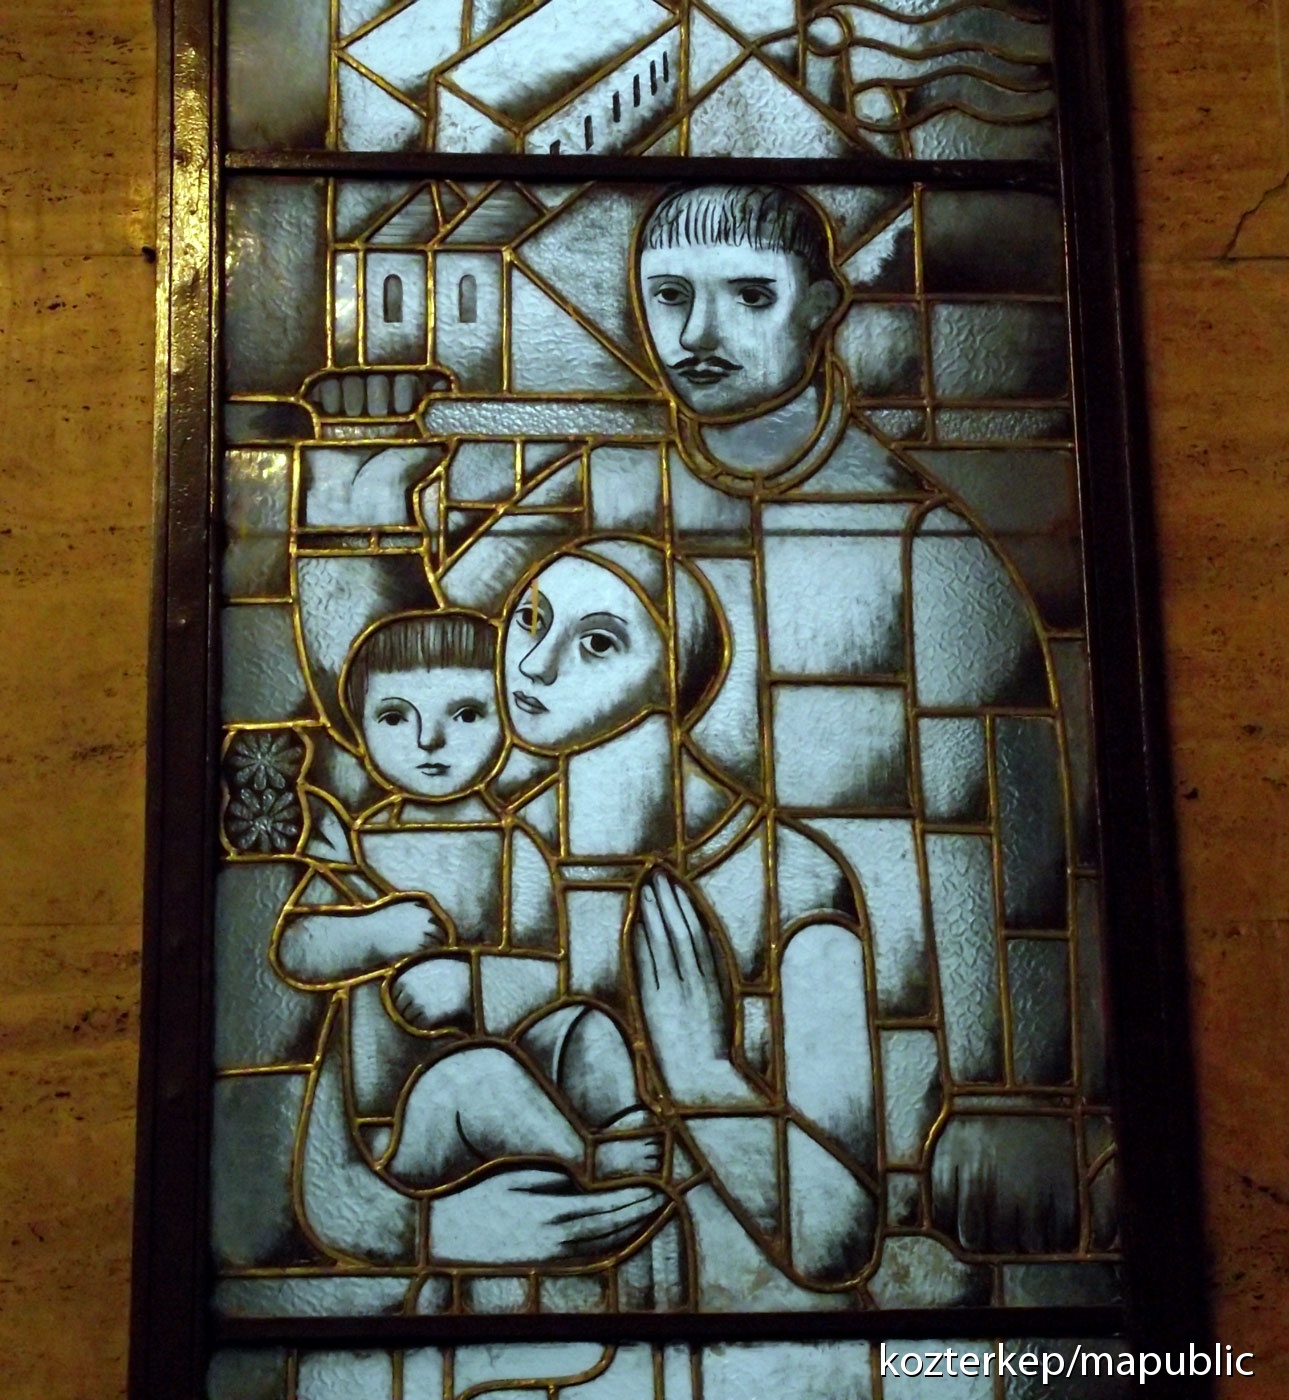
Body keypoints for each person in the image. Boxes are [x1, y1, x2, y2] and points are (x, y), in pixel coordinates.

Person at [273, 608, 661, 1200]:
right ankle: (591, 1160)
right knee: (478, 1074)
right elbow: (296, 949)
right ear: (358, 727)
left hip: (527, 1075)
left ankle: (640, 1153)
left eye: (466, 714)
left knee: (591, 1028)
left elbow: (555, 973)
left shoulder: (514, 845)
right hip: (404, 1118)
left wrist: (472, 984)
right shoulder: (356, 845)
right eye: (395, 717)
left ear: (507, 718)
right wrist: (374, 933)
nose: (430, 740)